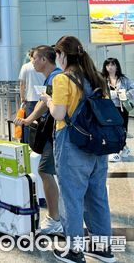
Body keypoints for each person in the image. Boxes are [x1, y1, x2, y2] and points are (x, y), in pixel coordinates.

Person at [40, 36, 115, 263]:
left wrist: (48, 100)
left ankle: (74, 251)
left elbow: (59, 114)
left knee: (72, 198)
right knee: (97, 196)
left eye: (57, 54)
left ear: (63, 55)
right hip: (98, 145)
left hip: (72, 145)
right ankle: (103, 248)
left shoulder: (63, 79)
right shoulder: (97, 78)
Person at [14, 45, 63, 236]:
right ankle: (56, 216)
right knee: (46, 171)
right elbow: (43, 103)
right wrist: (28, 120)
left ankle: (55, 218)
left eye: (34, 58)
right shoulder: (51, 77)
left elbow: (48, 105)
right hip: (54, 132)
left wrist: (29, 119)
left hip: (58, 133)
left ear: (44, 60)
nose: (32, 61)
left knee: (45, 171)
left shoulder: (56, 77)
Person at [102, 57, 133, 162]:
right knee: (110, 129)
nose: (110, 67)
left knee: (122, 128)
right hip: (108, 108)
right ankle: (113, 150)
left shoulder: (124, 79)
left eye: (112, 65)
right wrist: (116, 94)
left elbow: (133, 89)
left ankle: (123, 147)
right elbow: (102, 93)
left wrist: (125, 94)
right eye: (108, 65)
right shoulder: (102, 79)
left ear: (117, 66)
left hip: (122, 108)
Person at [18, 49, 45, 143]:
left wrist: (22, 97)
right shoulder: (44, 66)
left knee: (28, 123)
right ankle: (40, 144)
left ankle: (28, 144)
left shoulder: (25, 67)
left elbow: (22, 84)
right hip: (44, 99)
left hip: (30, 99)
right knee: (43, 123)